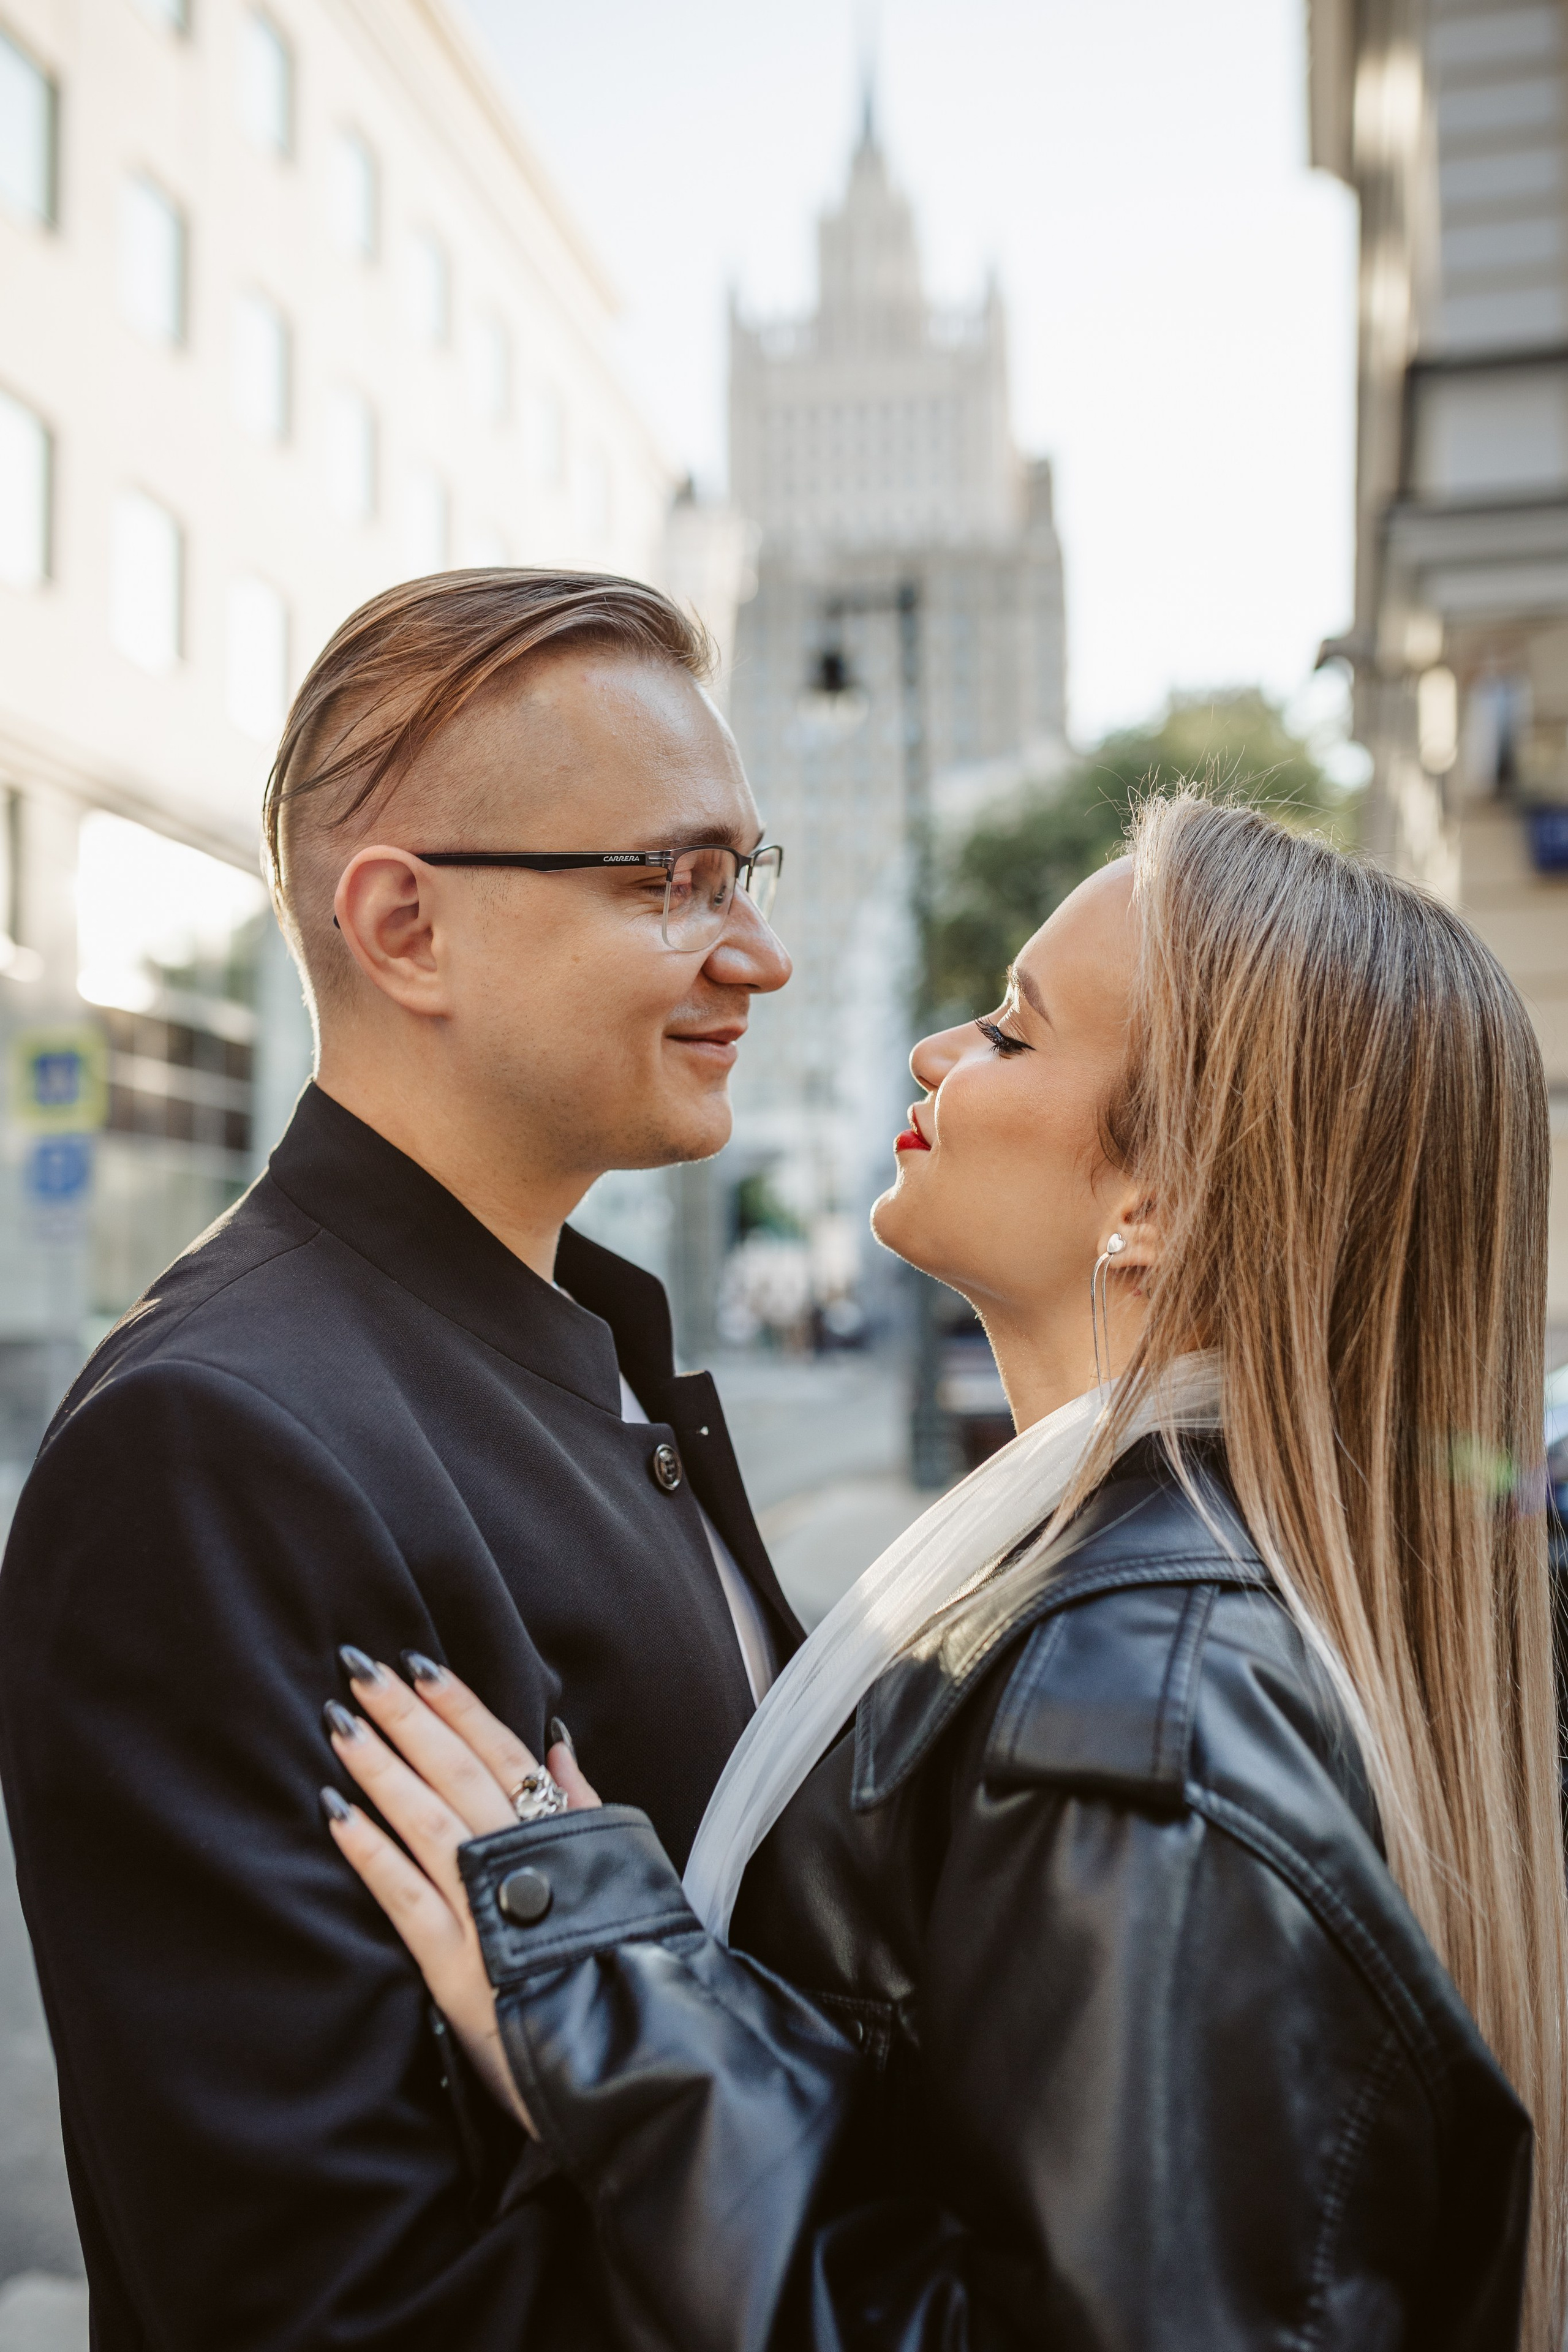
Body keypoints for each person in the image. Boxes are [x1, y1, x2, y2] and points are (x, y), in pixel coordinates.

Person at [323, 794, 1568, 2350]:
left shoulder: (1143, 1708)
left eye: (1013, 1032)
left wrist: (610, 1999)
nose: (934, 1054)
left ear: (1154, 1204)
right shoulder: (1140, 1616)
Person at [0, 571, 800, 2348]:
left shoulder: (597, 1344)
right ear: (405, 928)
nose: (756, 951)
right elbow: (326, 2301)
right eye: (673, 880)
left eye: (747, 875)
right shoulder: (209, 1445)